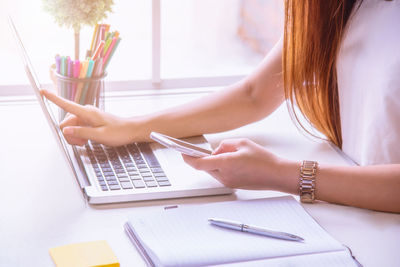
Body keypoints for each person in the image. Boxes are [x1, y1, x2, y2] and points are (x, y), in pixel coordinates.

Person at [41, 0, 400, 213]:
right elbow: (254, 94)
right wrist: (132, 128)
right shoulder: (337, 6)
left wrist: (278, 173)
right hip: (356, 215)